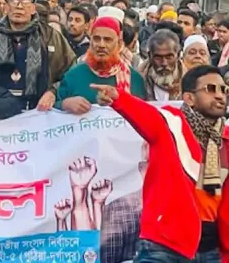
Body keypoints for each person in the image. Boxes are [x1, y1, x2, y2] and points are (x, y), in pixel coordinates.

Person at [92, 65, 229, 262]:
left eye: (223, 90)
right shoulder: (171, 124)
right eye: (211, 89)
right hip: (165, 246)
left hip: (211, 251)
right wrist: (119, 98)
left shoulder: (226, 141)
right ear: (189, 98)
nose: (219, 95)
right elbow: (147, 116)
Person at [56, 9, 146, 113]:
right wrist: (64, 104)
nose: (101, 45)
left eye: (108, 40)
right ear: (90, 42)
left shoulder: (134, 79)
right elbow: (51, 109)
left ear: (119, 44)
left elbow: (143, 114)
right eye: (96, 39)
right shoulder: (73, 75)